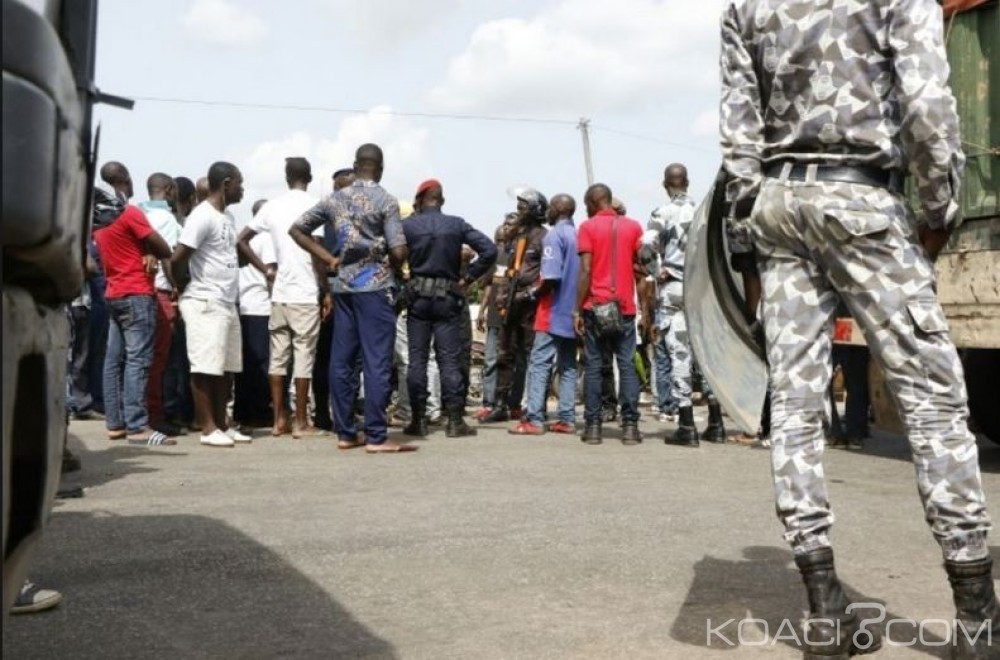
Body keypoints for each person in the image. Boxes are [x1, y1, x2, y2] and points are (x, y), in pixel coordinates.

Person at [720, 1, 997, 656]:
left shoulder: (746, 7)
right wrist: (938, 208)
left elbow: (737, 139)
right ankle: (978, 620)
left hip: (778, 208)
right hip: (864, 202)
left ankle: (824, 610)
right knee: (934, 410)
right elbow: (930, 111)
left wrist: (743, 242)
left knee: (793, 408)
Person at [290, 143, 414, 454]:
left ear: (355, 165)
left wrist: (329, 259)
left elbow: (298, 229)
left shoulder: (334, 198)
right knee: (377, 361)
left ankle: (345, 432)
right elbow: (398, 250)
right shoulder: (386, 201)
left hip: (343, 287)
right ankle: (376, 435)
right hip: (376, 287)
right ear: (381, 168)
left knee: (342, 361)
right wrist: (398, 266)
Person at [238, 157, 328, 438]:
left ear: (286, 178)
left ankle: (279, 419)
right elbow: (318, 253)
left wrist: (265, 268)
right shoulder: (316, 205)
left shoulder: (272, 206)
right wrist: (325, 289)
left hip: (279, 294)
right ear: (309, 177)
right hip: (304, 291)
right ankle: (301, 421)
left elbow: (241, 240)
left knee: (278, 358)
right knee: (303, 357)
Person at [401, 179, 497, 438]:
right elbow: (489, 249)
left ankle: (418, 421)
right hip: (448, 298)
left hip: (418, 298)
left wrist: (403, 278)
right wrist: (467, 279)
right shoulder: (456, 224)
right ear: (441, 200)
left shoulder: (408, 225)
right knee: (449, 360)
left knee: (417, 360)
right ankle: (455, 421)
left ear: (420, 201)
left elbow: (392, 252)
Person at [171, 161, 251, 448]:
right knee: (205, 366)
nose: (242, 189)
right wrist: (180, 286)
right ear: (226, 183)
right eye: (240, 183)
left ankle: (221, 424)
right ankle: (207, 428)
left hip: (227, 301)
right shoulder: (201, 216)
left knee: (225, 367)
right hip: (205, 299)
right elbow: (178, 258)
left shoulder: (227, 217)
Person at [91, 186, 175, 446]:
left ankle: (115, 424)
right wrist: (148, 248)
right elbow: (164, 248)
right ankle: (138, 427)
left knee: (113, 361)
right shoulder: (129, 213)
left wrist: (143, 249)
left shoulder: (98, 224)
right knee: (138, 360)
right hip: (137, 293)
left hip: (114, 293)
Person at [653, 164, 727, 447]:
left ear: (665, 184)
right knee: (707, 354)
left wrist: (657, 270)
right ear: (688, 183)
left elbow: (646, 246)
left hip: (674, 288)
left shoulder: (662, 213)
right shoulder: (705, 213)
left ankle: (686, 425)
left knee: (680, 353)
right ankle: (716, 422)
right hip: (703, 289)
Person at [574, 184, 651, 446]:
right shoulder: (633, 227)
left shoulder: (587, 227)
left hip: (596, 306)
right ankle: (630, 427)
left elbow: (585, 270)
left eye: (586, 205)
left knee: (594, 366)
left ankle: (593, 427)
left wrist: (576, 308)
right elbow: (642, 266)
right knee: (627, 365)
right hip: (625, 308)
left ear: (593, 203)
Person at [510, 194, 579, 436]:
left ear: (559, 210)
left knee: (539, 363)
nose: (547, 211)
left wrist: (529, 295)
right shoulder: (577, 234)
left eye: (550, 207)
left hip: (553, 310)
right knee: (568, 365)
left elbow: (550, 277)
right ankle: (567, 419)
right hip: (574, 313)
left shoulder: (554, 236)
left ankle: (535, 419)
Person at [480, 190, 548, 424]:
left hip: (531, 305)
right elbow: (509, 269)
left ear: (535, 211)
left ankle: (533, 406)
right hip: (510, 304)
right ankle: (500, 404)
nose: (518, 212)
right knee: (504, 354)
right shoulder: (515, 237)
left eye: (523, 208)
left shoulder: (543, 237)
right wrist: (503, 295)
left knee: (531, 356)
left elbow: (546, 274)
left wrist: (529, 294)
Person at [139, 173, 184, 437]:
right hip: (160, 291)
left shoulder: (137, 213)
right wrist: (176, 284)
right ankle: (154, 415)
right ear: (168, 190)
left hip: (141, 289)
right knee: (159, 358)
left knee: (139, 358)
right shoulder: (166, 219)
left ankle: (139, 413)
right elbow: (167, 256)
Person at [313, 168, 356, 430]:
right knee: (327, 355)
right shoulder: (325, 215)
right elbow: (317, 256)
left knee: (349, 355)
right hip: (330, 285)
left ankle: (344, 413)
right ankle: (323, 413)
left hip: (352, 286)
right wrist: (326, 292)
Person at [233, 199, 276, 428]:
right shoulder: (266, 238)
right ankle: (260, 412)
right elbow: (272, 274)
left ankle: (242, 410)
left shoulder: (245, 240)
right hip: (261, 305)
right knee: (262, 362)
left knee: (246, 363)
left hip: (243, 304)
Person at [475, 213, 520, 421]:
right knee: (491, 359)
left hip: (515, 316)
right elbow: (489, 287)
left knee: (513, 361)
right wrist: (482, 311)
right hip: (495, 316)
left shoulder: (522, 254)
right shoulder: (495, 257)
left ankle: (513, 403)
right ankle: (488, 402)